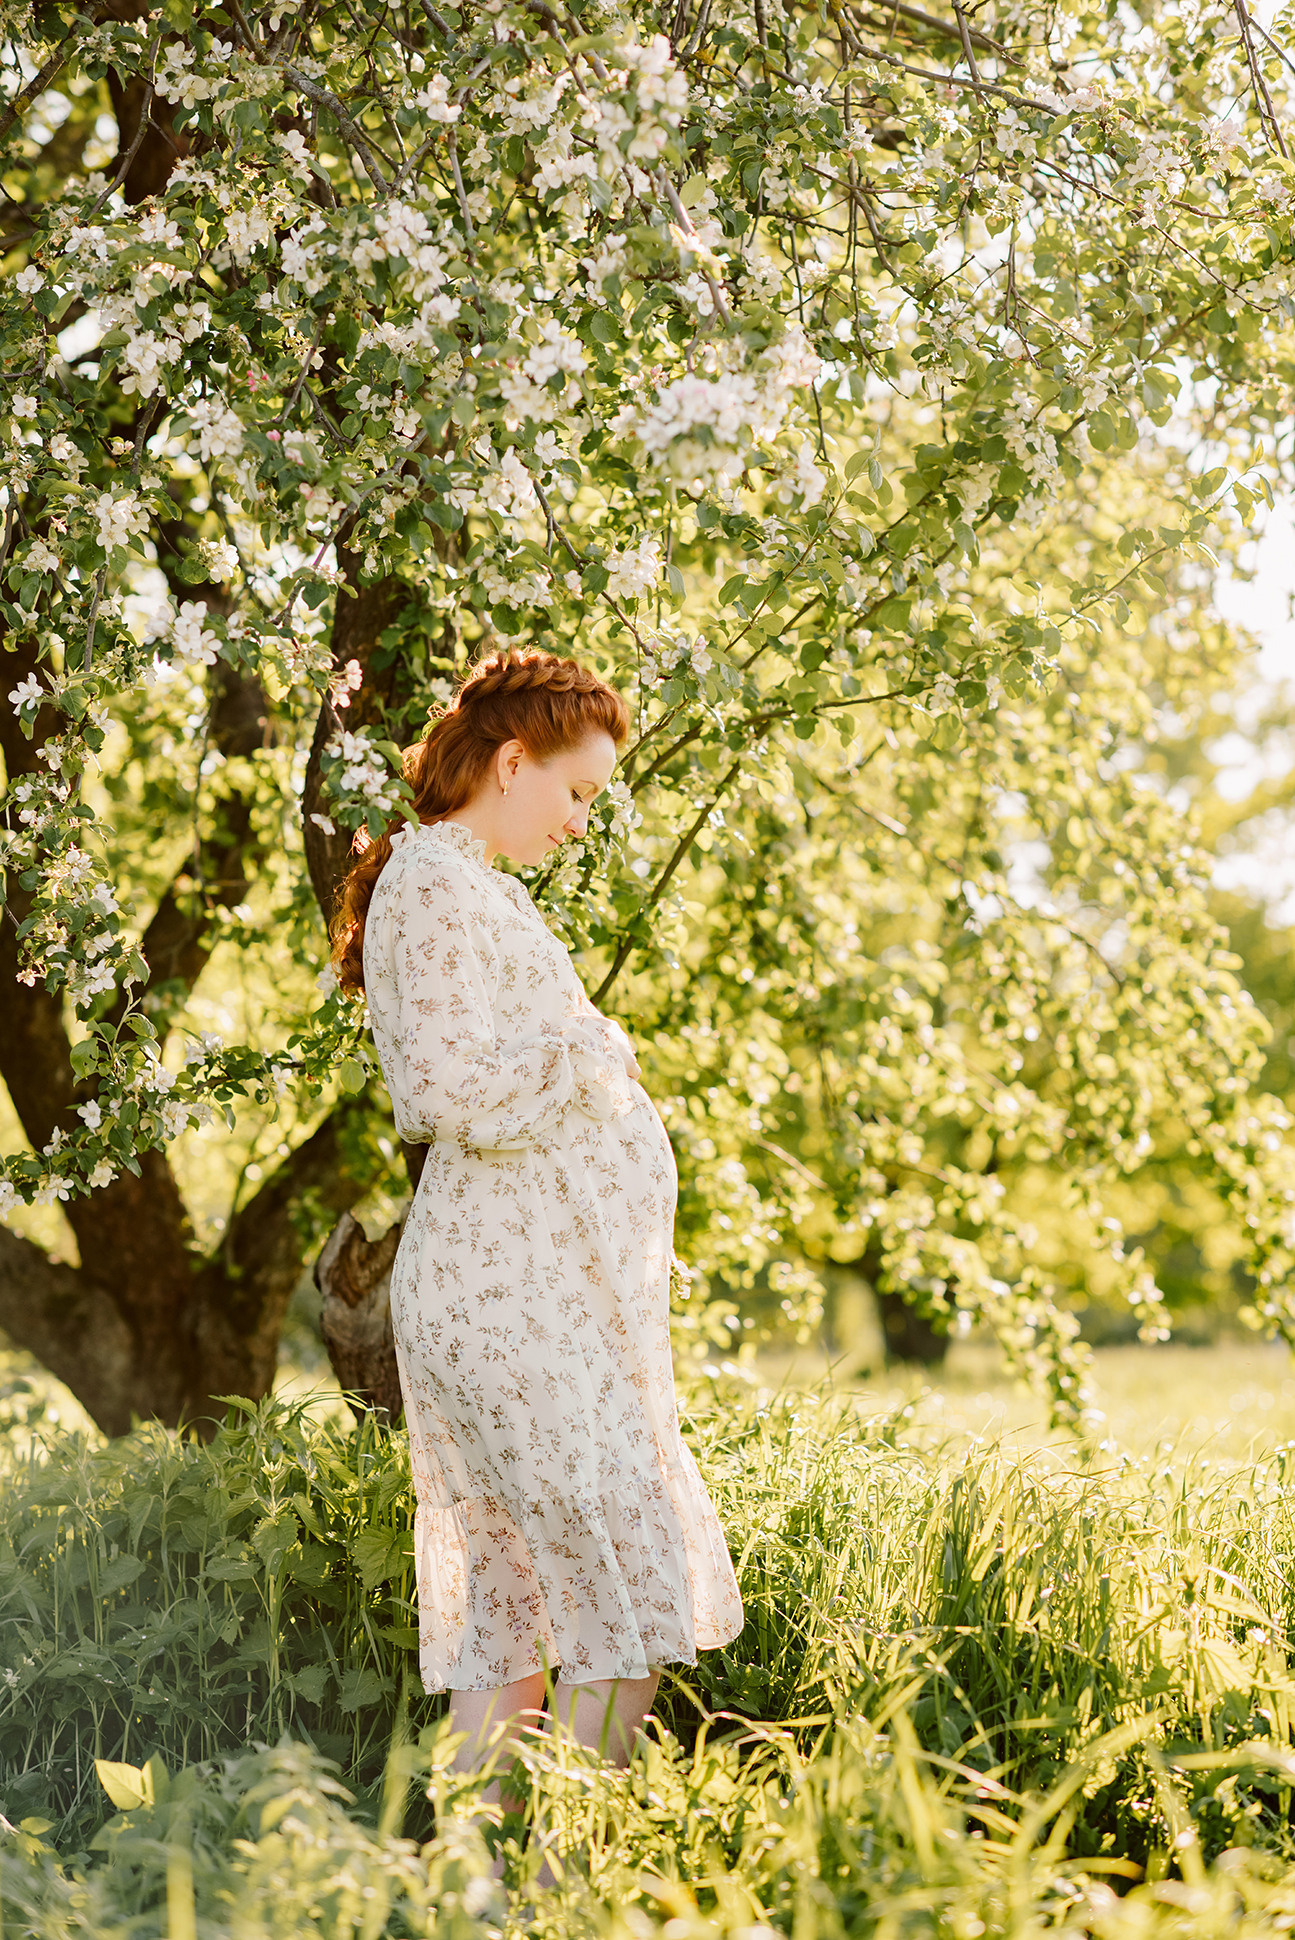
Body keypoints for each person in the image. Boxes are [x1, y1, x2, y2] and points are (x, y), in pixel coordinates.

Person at [330, 646, 744, 1866]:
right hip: (507, 1307)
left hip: (536, 1299)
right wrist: (589, 1054)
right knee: (619, 1593)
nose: (579, 821)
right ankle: (561, 1879)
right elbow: (444, 1087)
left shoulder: (469, 885)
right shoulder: (438, 886)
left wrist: (591, 1062)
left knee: (524, 1614)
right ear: (511, 763)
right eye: (573, 793)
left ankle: (483, 1887)